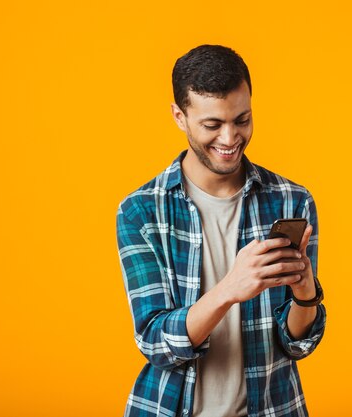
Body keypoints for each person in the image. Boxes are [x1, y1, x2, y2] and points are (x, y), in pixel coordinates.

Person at [116, 44, 326, 417]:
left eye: (241, 120)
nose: (229, 139)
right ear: (180, 116)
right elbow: (155, 343)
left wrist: (304, 292)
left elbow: (297, 345)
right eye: (212, 125)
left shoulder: (293, 201)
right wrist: (229, 290)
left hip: (274, 408)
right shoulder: (141, 211)